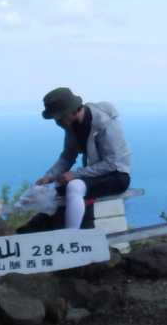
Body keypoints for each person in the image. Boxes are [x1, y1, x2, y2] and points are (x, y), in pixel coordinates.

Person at [31, 89, 132, 230]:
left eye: (59, 118)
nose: (57, 122)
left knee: (75, 186)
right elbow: (68, 156)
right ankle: (42, 225)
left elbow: (112, 163)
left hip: (117, 176)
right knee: (58, 188)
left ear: (74, 111)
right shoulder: (71, 126)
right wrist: (49, 176)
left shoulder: (105, 123)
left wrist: (76, 174)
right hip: (94, 176)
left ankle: (72, 235)